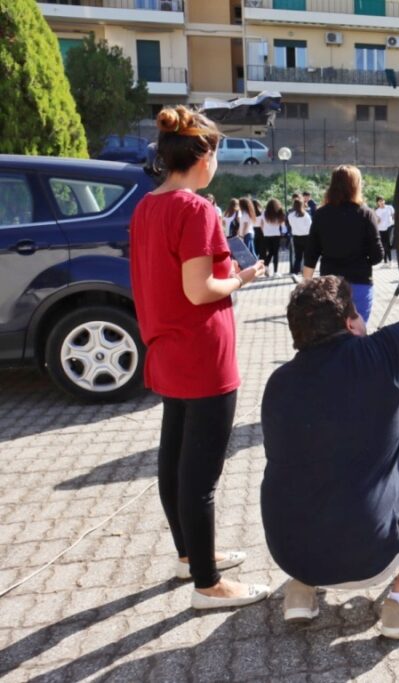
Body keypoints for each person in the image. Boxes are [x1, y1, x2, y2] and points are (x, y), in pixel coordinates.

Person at [261, 212, 399, 639]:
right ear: (352, 323)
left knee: (310, 478)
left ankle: (301, 590)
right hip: (365, 559)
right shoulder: (380, 357)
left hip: (287, 551)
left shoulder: (277, 383)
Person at [129, 105, 269, 610]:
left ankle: (190, 556)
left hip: (166, 349)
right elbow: (200, 289)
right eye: (218, 151)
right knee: (200, 475)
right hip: (202, 353)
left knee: (173, 459)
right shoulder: (196, 209)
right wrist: (241, 278)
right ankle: (208, 583)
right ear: (202, 154)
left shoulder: (147, 206)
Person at [302, 165, 384, 323]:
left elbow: (310, 254)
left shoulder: (320, 214)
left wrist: (306, 287)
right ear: (356, 185)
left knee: (331, 335)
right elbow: (377, 256)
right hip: (359, 282)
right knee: (358, 334)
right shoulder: (366, 214)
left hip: (330, 285)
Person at [288, 198, 312, 281]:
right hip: (306, 237)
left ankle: (295, 273)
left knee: (298, 256)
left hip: (296, 237)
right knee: (306, 256)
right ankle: (306, 274)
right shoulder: (306, 215)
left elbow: (291, 225)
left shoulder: (290, 215)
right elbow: (310, 227)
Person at [261, 198, 287, 276]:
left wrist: (264, 232)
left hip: (266, 235)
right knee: (275, 253)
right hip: (276, 235)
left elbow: (261, 225)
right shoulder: (279, 213)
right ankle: (276, 271)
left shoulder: (264, 213)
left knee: (270, 252)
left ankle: (266, 266)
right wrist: (283, 233)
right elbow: (283, 227)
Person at [375, 195, 396, 265]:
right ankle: (385, 261)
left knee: (388, 244)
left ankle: (390, 261)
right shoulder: (377, 211)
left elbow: (393, 216)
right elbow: (376, 222)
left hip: (389, 227)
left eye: (382, 200)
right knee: (384, 245)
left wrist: (394, 223)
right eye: (380, 201)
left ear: (384, 201)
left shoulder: (390, 207)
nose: (382, 202)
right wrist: (377, 221)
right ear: (377, 203)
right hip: (381, 229)